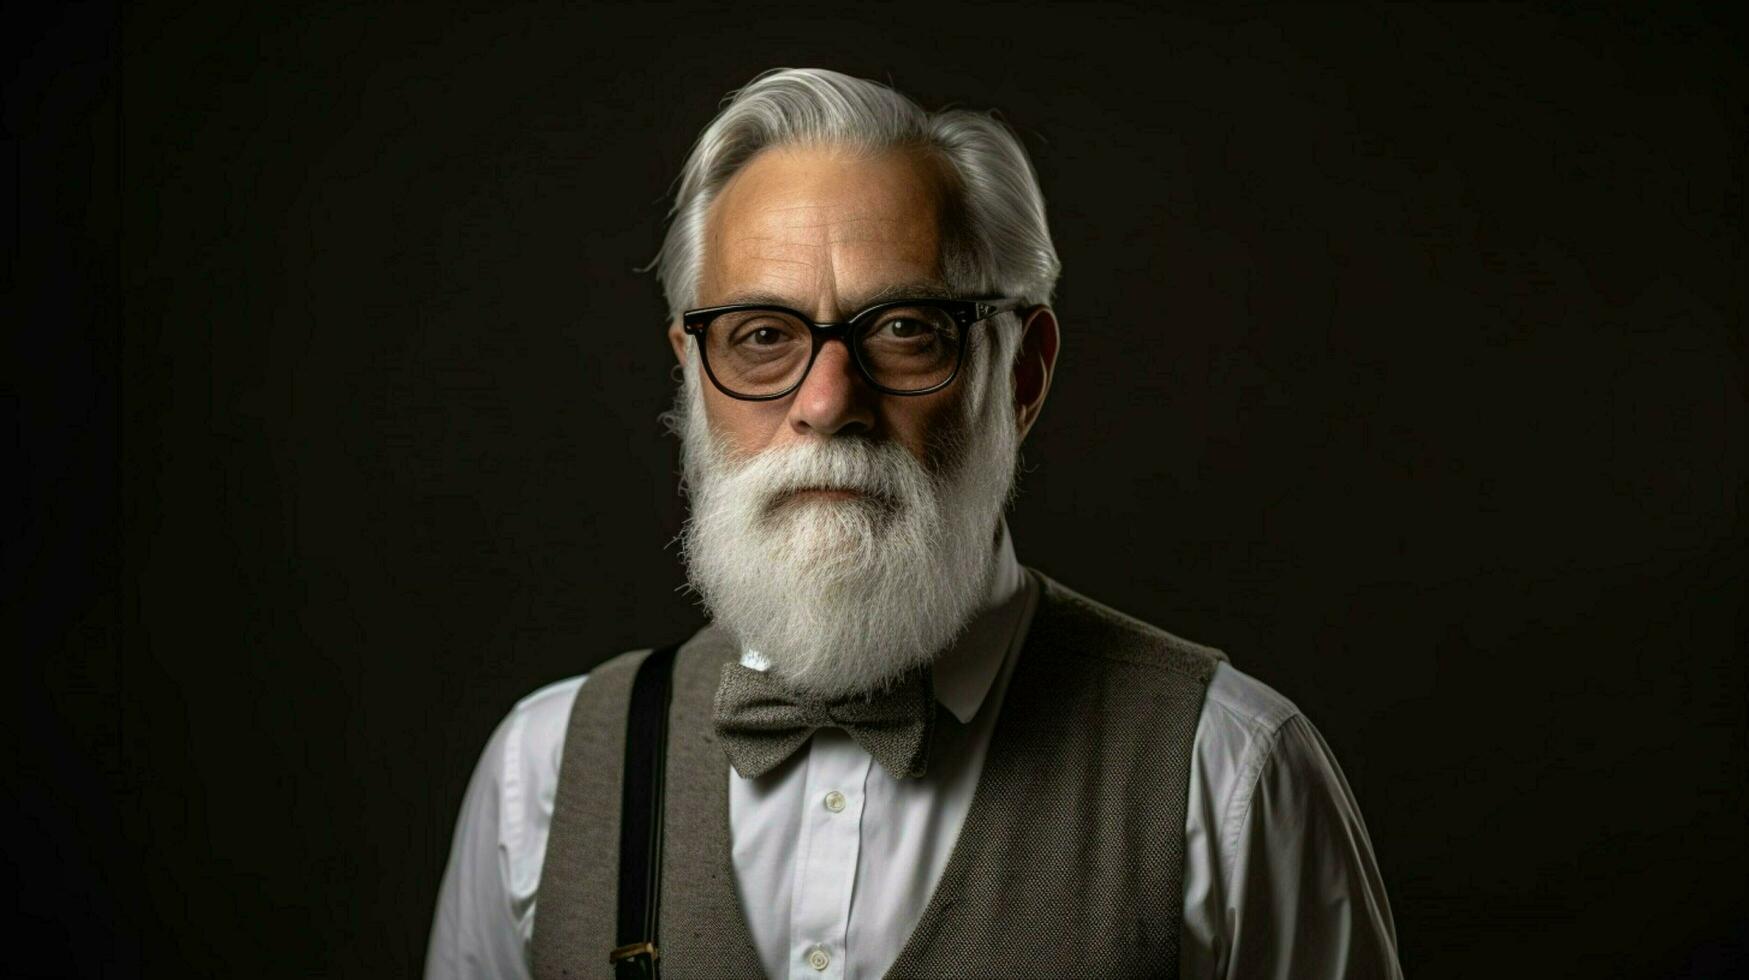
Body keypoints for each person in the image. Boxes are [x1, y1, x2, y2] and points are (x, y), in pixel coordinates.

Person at [425, 67, 1403, 980]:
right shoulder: (542, 772)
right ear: (691, 368)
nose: (826, 401)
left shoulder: (1230, 771)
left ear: (1021, 374)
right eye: (762, 337)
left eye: (904, 329)